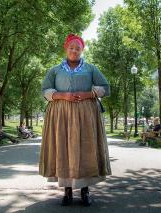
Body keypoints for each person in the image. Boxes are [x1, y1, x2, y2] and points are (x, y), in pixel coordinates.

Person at [39, 33, 111, 207]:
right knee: (64, 149)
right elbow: (44, 91)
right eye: (71, 47)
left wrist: (89, 94)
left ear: (82, 50)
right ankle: (68, 191)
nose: (74, 51)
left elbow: (106, 88)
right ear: (66, 48)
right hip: (61, 115)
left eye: (77, 48)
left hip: (86, 115)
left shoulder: (91, 69)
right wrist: (62, 95)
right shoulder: (55, 70)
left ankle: (85, 190)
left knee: (85, 148)